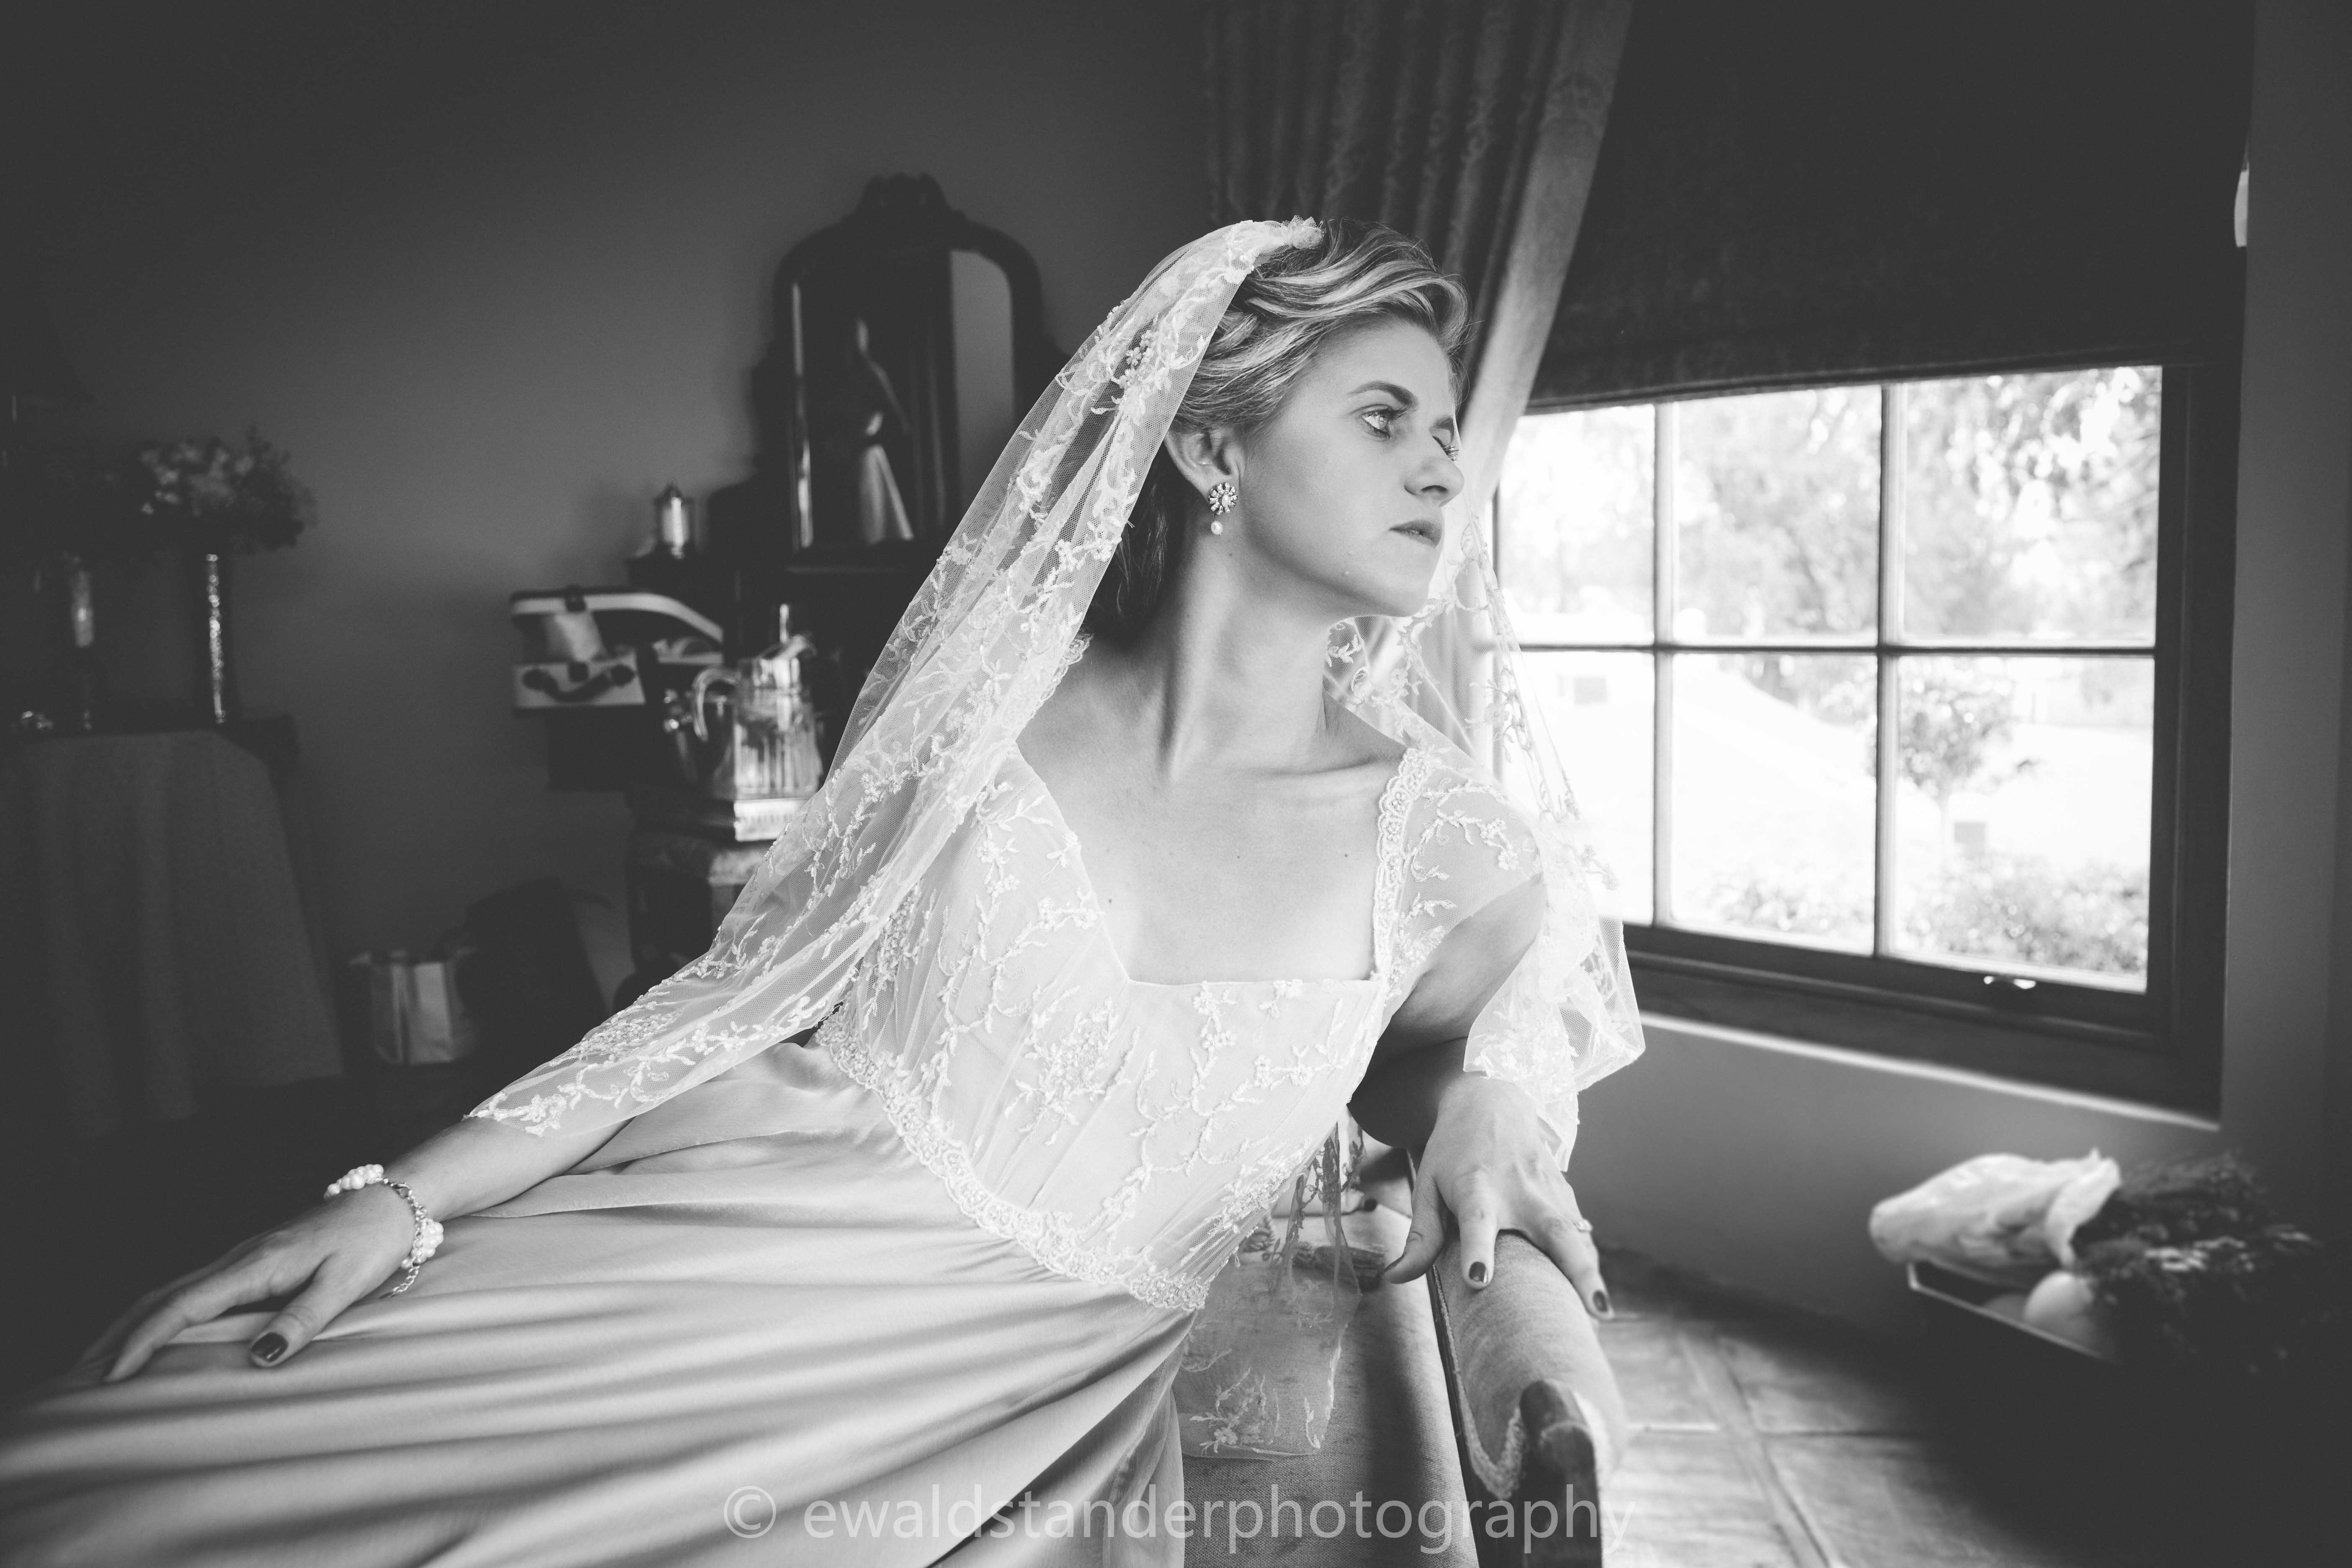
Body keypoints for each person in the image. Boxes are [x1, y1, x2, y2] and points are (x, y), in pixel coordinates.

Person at [0, 216, 1644, 1565]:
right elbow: (721, 1010)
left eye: (1450, 434)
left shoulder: (1454, 849)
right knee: (136, 1486)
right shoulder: (989, 713)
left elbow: (1446, 1059)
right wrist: (398, 1197)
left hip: (999, 1407)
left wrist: (1491, 1100)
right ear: (1213, 445)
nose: (1443, 470)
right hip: (698, 1271)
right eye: (1384, 418)